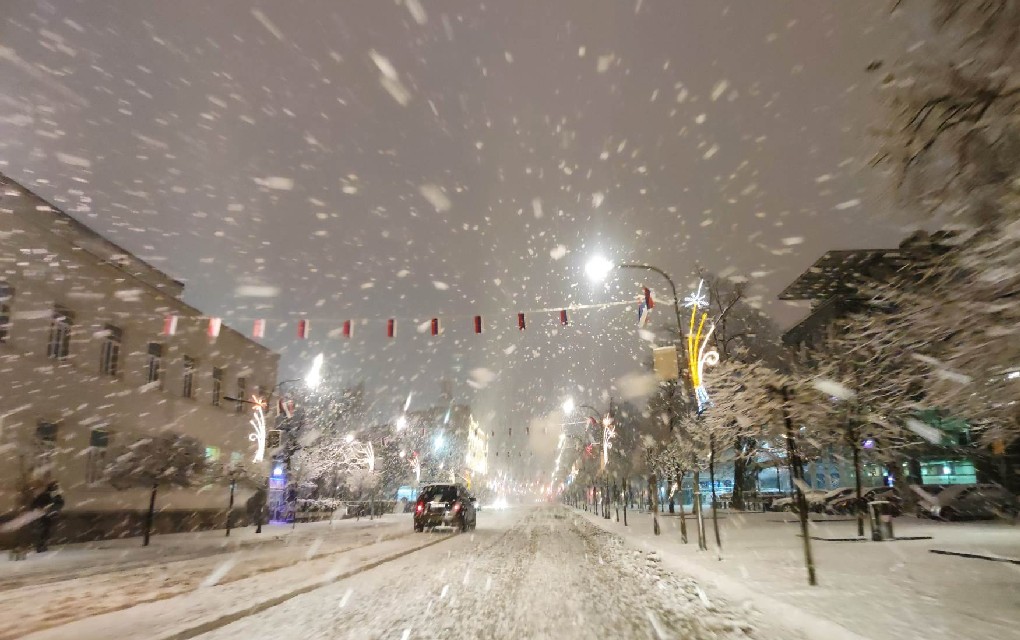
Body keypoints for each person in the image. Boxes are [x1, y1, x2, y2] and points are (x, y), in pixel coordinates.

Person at [31, 481, 64, 553]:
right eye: (56, 487)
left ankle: (42, 545)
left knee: (46, 531)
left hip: (49, 516)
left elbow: (60, 504)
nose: (57, 488)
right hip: (44, 516)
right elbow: (35, 504)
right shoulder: (46, 495)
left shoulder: (55, 496)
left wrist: (51, 509)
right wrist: (42, 509)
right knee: (43, 531)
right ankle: (41, 546)